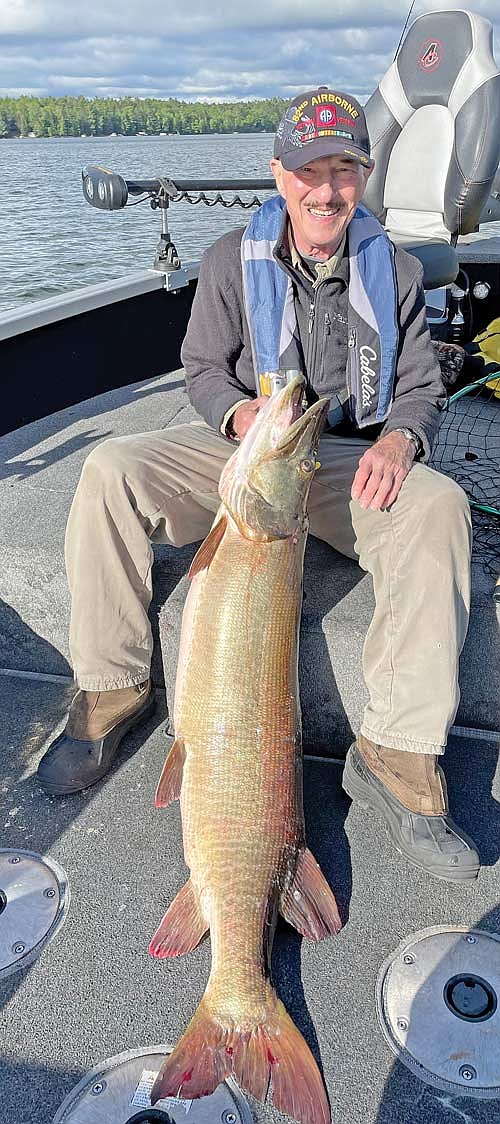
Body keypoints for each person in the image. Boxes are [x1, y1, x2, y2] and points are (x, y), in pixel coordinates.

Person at [37, 87, 479, 882]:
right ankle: (111, 689)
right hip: (248, 452)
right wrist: (239, 418)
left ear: (363, 178)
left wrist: (404, 439)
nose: (327, 190)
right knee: (109, 471)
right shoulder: (224, 263)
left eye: (345, 170)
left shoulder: (401, 273)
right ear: (279, 176)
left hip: (342, 461)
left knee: (441, 506)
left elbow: (419, 388)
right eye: (310, 170)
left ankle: (399, 756)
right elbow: (202, 370)